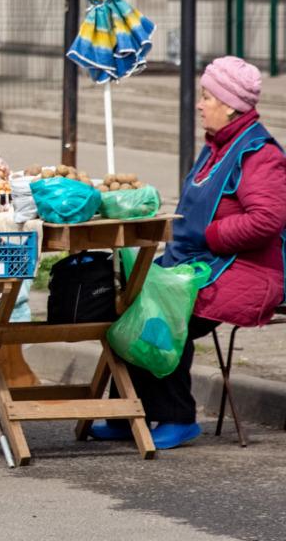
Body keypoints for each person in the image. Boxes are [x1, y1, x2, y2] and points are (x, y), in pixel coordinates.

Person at [90, 57, 286, 450]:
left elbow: (268, 218)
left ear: (230, 105)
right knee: (127, 292)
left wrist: (212, 235)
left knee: (162, 310)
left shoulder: (259, 154)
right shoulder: (217, 145)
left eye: (206, 96)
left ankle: (178, 416)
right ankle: (130, 410)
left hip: (244, 271)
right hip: (198, 263)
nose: (199, 104)